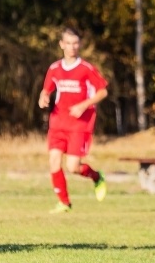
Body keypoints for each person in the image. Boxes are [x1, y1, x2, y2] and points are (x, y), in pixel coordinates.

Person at [38, 27, 108, 214]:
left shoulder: (86, 69)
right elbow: (47, 89)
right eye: (68, 43)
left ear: (80, 45)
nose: (72, 47)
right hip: (58, 122)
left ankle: (96, 177)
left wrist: (84, 105)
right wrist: (43, 96)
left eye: (75, 43)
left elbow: (102, 91)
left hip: (79, 124)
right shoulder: (54, 68)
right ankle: (64, 202)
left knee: (73, 167)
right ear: (61, 44)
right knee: (53, 161)